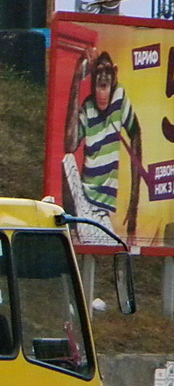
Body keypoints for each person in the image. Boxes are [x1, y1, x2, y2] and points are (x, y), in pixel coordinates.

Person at [63, 48, 143, 242]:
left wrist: (133, 206)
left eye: (108, 73)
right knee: (67, 160)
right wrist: (76, 79)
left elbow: (136, 135)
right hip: (82, 198)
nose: (103, 79)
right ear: (92, 77)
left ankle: (80, 231)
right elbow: (70, 144)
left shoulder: (119, 98)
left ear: (114, 74)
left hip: (100, 211)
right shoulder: (87, 107)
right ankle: (72, 228)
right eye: (99, 73)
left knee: (116, 248)